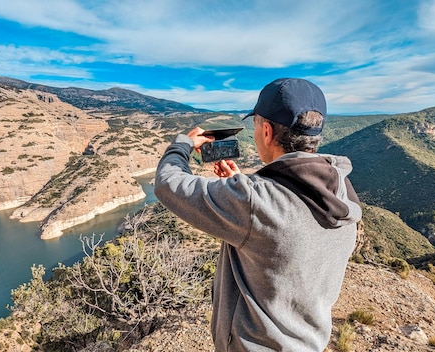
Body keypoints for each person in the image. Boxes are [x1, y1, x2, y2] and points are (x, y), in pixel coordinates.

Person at [154, 78, 361, 351]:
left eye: (255, 126)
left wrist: (182, 145)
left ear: (266, 131)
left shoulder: (255, 201)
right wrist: (244, 184)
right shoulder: (341, 190)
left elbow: (168, 183)